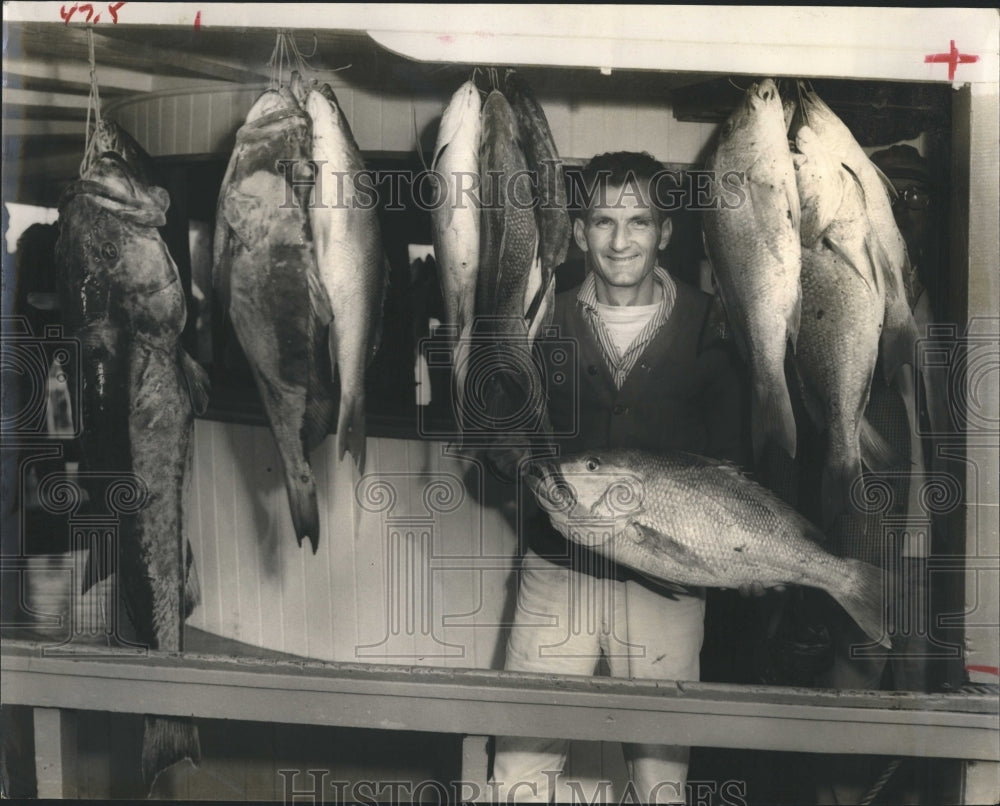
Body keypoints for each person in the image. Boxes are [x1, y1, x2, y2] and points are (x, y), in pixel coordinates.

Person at [489, 152, 750, 804]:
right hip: (558, 569)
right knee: (522, 755)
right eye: (603, 220)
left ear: (665, 232)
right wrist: (528, 469)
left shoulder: (716, 323)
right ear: (578, 231)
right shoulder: (538, 318)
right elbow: (493, 430)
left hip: (666, 583)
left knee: (662, 774)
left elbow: (738, 462)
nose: (619, 239)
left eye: (638, 221)